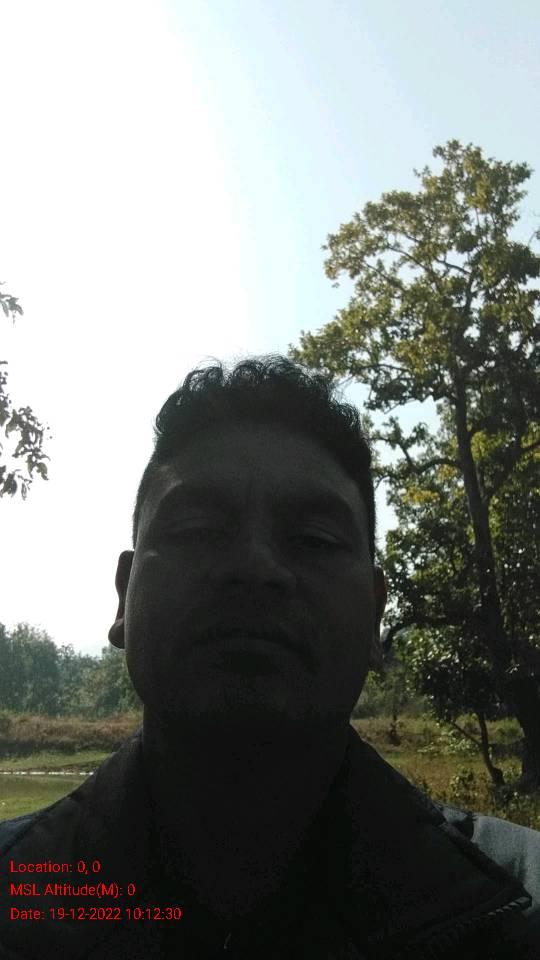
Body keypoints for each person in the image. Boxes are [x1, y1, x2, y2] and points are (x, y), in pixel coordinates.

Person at [0, 354, 539, 960]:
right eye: (197, 529)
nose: (254, 567)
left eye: (314, 539)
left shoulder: (519, 909)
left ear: (375, 616)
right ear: (125, 596)